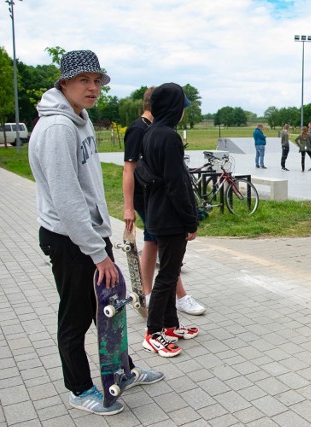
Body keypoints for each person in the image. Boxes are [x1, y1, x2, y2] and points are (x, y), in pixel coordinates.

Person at [29, 50, 163, 416]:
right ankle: (78, 388)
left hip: (89, 235)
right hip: (69, 238)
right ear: (65, 83)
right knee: (75, 316)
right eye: (84, 81)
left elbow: (85, 188)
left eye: (97, 81)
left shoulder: (79, 117)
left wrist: (101, 237)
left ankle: (124, 371)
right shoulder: (57, 129)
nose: (93, 88)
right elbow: (67, 197)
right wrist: (98, 252)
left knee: (108, 311)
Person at [123, 86, 206, 316]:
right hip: (151, 199)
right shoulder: (140, 129)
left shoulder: (155, 129)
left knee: (154, 245)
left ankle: (148, 294)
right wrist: (128, 206)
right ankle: (159, 304)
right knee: (165, 256)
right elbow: (128, 170)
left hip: (157, 199)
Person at [138, 82, 200, 358]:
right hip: (171, 217)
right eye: (182, 107)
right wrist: (191, 220)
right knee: (167, 277)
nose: (183, 112)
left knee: (170, 273)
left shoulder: (151, 133)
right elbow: (177, 184)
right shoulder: (169, 137)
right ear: (174, 108)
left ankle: (171, 326)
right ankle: (153, 333)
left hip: (157, 213)